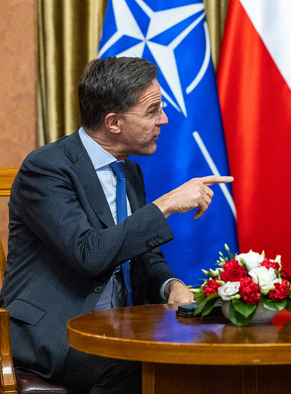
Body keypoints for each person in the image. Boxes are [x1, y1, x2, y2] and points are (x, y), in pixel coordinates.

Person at [0, 57, 233, 393]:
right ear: (113, 122)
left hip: (118, 328)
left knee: (207, 351)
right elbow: (88, 253)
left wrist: (171, 285)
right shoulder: (47, 169)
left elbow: (143, 255)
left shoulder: (129, 171)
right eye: (152, 111)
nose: (164, 120)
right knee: (154, 369)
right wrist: (165, 204)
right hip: (54, 332)